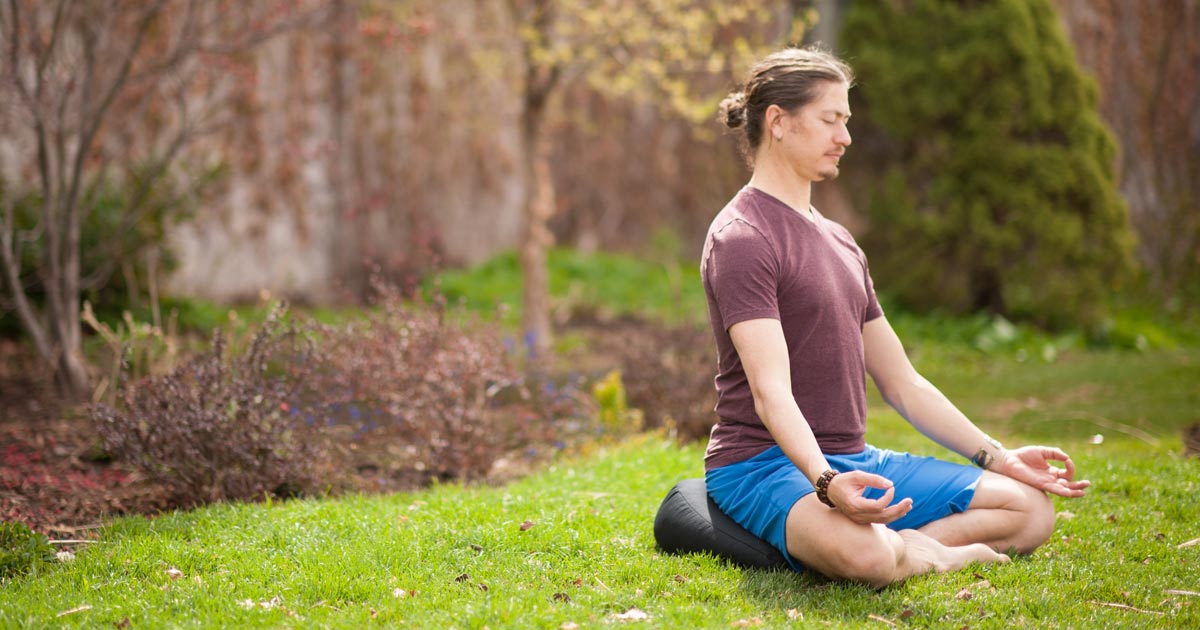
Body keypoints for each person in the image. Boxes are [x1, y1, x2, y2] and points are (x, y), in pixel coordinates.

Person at [701, 46, 1089, 587]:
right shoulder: (743, 238)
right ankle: (925, 554)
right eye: (830, 120)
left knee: (1030, 510)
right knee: (867, 560)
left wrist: (998, 457)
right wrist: (826, 481)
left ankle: (902, 548)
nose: (846, 137)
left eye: (847, 121)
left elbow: (902, 382)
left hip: (857, 457)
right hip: (763, 465)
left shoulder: (840, 241)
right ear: (779, 123)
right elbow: (771, 393)